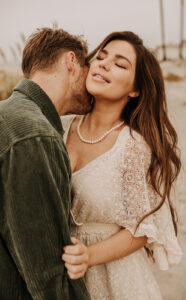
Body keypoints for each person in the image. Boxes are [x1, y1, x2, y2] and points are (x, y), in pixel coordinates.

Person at [61, 31, 183, 300]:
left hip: (116, 279)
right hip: (62, 272)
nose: (103, 64)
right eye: (101, 57)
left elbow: (141, 229)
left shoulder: (132, 145)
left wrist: (89, 255)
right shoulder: (61, 126)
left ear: (135, 88)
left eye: (120, 64)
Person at [0, 27, 91, 299]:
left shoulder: (7, 114)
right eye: (89, 66)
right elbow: (48, 274)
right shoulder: (34, 136)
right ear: (71, 62)